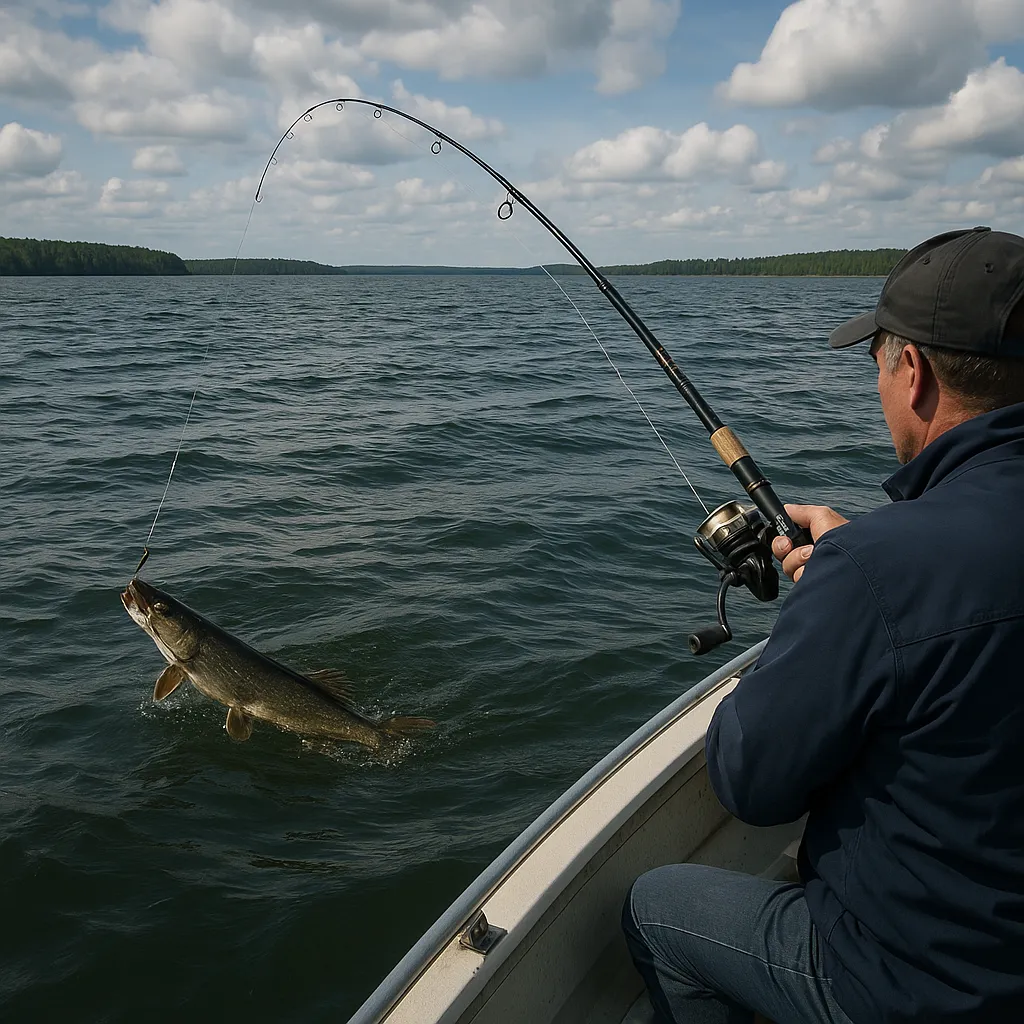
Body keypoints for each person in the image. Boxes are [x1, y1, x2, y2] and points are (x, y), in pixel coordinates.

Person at [622, 226, 1024, 1024]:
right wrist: (857, 577)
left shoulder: (876, 569)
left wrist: (835, 599)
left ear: (912, 372)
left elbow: (752, 783)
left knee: (656, 907)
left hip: (927, 991)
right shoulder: (879, 564)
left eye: (877, 360)